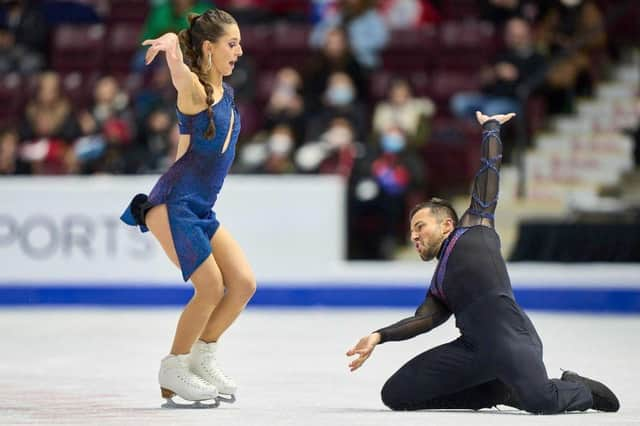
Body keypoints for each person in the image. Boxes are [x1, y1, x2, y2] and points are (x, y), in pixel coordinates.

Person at [346, 111, 620, 414]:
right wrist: (379, 336)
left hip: (513, 342)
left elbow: (488, 174)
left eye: (420, 226)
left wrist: (491, 128)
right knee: (397, 395)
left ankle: (579, 387)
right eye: (411, 230)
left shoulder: (474, 230)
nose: (414, 235)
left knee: (542, 402)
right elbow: (422, 320)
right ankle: (496, 391)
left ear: (447, 224)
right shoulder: (439, 284)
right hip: (472, 351)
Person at [120, 8, 256, 407]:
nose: (240, 51)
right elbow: (181, 79)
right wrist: (173, 52)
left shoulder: (226, 94)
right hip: (174, 204)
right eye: (232, 44)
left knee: (243, 283)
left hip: (198, 207)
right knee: (211, 287)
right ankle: (174, 366)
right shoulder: (196, 91)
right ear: (209, 49)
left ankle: (202, 355)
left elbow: (184, 148)